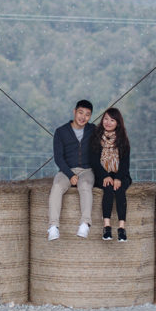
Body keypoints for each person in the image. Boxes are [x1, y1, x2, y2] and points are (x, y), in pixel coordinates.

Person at [48, 99, 96, 240]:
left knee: (85, 185)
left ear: (90, 116)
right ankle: (53, 227)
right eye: (80, 113)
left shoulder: (93, 130)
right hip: (66, 170)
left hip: (87, 170)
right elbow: (58, 158)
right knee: (56, 186)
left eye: (87, 114)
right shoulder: (61, 132)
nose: (83, 117)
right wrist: (70, 174)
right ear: (74, 112)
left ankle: (85, 223)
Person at [91, 107, 132, 242]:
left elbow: (125, 164)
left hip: (120, 173)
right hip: (102, 173)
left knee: (119, 189)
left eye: (112, 120)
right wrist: (105, 176)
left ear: (118, 123)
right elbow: (94, 161)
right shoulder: (96, 137)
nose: (108, 122)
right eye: (106, 119)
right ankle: (107, 227)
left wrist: (119, 178)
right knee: (108, 188)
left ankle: (121, 227)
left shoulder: (123, 140)